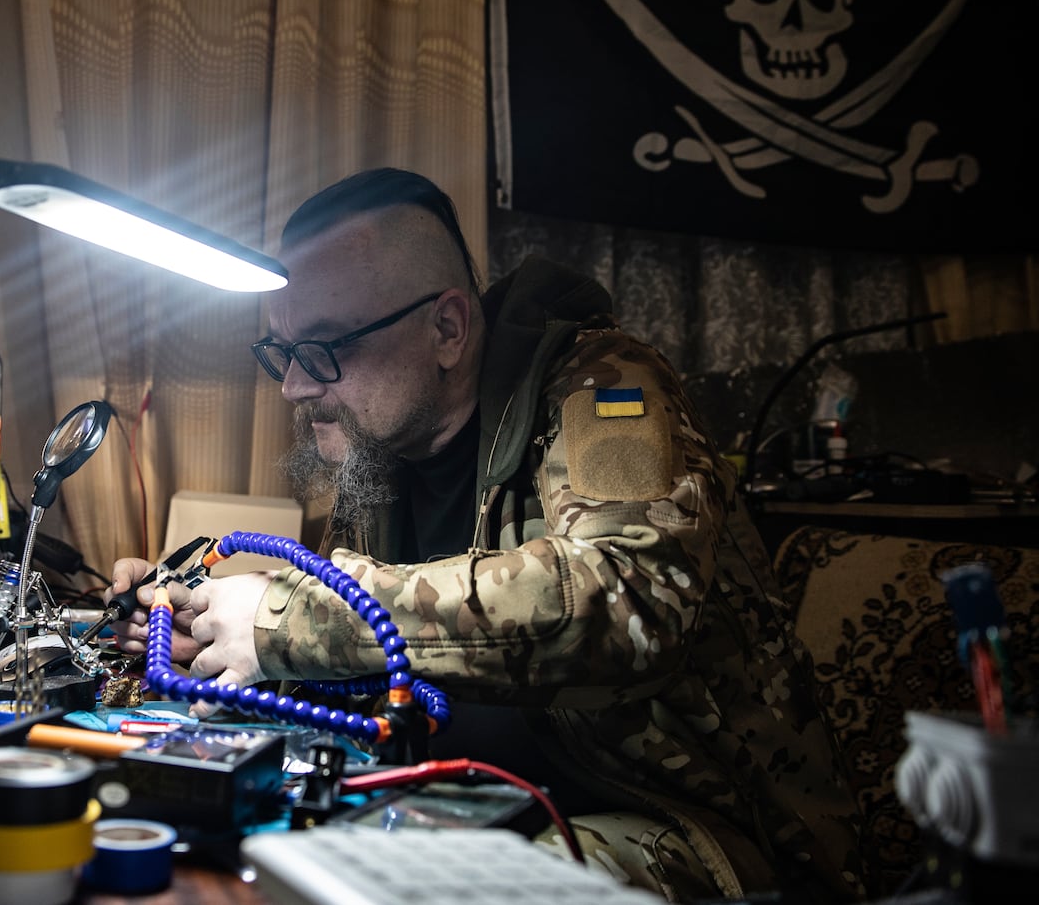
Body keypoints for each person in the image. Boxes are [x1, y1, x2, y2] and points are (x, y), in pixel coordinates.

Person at [110, 168, 866, 902]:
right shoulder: (380, 452)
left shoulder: (610, 389)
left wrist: (289, 618)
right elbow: (388, 646)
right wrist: (212, 628)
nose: (296, 387)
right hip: (476, 792)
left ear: (446, 327)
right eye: (282, 352)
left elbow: (627, 596)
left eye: (325, 348)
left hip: (700, 831)